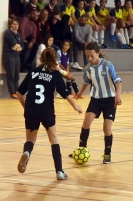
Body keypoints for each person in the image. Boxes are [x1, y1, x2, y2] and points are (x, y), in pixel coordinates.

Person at [16, 48, 82, 180]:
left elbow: (19, 93)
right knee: (53, 139)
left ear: (40, 59)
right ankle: (59, 172)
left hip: (31, 110)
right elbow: (66, 94)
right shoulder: (55, 75)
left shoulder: (33, 72)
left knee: (30, 140)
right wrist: (76, 106)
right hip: (46, 110)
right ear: (54, 60)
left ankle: (27, 152)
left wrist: (26, 108)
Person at [68, 42, 122, 164]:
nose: (89, 58)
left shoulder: (108, 65)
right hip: (96, 100)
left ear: (98, 53)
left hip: (110, 100)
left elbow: (118, 81)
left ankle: (107, 155)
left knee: (106, 128)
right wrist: (80, 93)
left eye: (92, 55)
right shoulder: (88, 68)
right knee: (86, 122)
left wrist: (117, 95)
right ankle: (81, 150)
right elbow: (86, 82)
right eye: (87, 56)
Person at [2, 19, 23, 99]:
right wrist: (17, 46)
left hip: (16, 55)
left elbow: (22, 46)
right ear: (10, 25)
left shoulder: (18, 34)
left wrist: (17, 47)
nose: (16, 26)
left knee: (16, 74)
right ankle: (12, 92)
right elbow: (13, 43)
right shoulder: (8, 33)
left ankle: (17, 91)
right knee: (11, 74)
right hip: (9, 56)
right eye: (14, 24)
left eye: (17, 24)